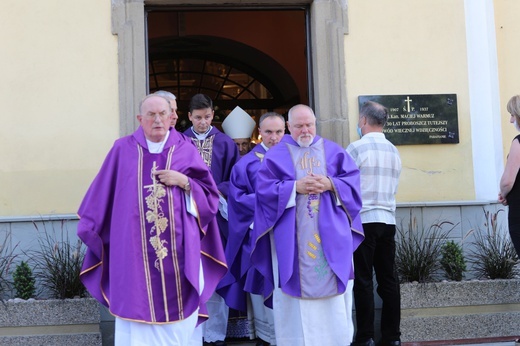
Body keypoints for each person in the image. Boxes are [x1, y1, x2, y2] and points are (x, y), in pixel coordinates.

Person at [77, 94, 227, 346]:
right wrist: (91, 227)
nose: (157, 120)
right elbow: (100, 195)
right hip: (132, 252)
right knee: (135, 319)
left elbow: (210, 197)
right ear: (140, 119)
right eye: (150, 115)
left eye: (162, 114)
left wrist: (185, 182)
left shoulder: (185, 149)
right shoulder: (121, 149)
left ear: (172, 117)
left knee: (179, 317)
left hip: (179, 252)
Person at [250, 104, 365, 346]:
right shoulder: (275, 155)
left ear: (315, 124)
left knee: (332, 305)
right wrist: (294, 187)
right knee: (294, 309)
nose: (305, 130)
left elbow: (353, 185)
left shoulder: (334, 152)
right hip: (290, 241)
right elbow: (263, 191)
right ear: (289, 127)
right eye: (299, 125)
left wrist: (331, 184)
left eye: (309, 124)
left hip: (330, 240)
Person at [220, 112, 286, 346]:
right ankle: (266, 335)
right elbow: (237, 200)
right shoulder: (246, 163)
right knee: (262, 279)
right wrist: (270, 204)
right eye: (268, 132)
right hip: (258, 234)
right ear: (259, 132)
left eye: (279, 132)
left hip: (290, 235)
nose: (274, 137)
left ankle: (290, 334)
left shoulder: (296, 158)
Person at [183, 93, 241, 346]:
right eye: (198, 118)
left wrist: (217, 190)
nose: (203, 122)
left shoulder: (226, 143)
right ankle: (189, 332)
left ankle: (216, 334)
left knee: (214, 271)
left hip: (217, 218)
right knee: (190, 272)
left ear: (212, 114)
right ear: (188, 117)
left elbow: (235, 180)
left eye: (207, 117)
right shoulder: (179, 142)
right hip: (186, 216)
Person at [346, 101, 402, 346]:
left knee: (363, 280)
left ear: (363, 121)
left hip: (364, 220)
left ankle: (365, 337)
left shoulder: (356, 148)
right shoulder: (393, 150)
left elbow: (345, 186)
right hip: (388, 220)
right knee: (388, 280)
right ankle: (392, 337)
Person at [499, 95, 520, 257]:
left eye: (512, 115)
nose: (511, 120)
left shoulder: (518, 142)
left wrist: (504, 194)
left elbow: (507, 181)